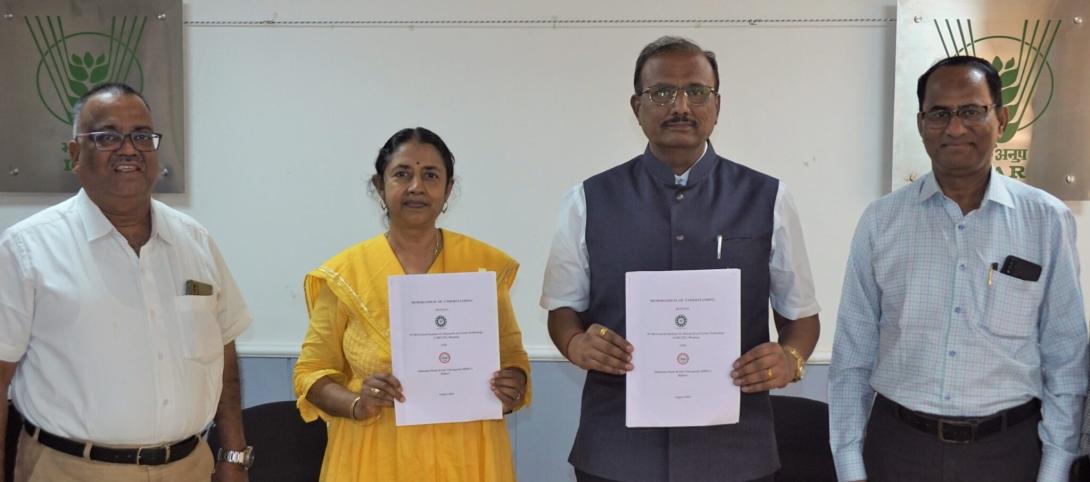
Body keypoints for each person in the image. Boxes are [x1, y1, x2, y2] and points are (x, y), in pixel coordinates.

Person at [540, 36, 821, 482]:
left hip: (735, 452)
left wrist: (790, 358)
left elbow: (801, 318)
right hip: (617, 450)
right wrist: (575, 344)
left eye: (696, 91)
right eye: (662, 93)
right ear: (637, 107)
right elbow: (562, 312)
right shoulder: (587, 200)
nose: (681, 106)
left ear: (717, 104)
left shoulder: (769, 198)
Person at [828, 55, 1089, 482]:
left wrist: (1055, 467)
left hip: (1010, 452)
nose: (954, 128)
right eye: (939, 114)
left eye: (971, 111)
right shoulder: (881, 221)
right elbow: (852, 355)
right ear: (920, 123)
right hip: (898, 449)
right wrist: (850, 466)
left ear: (1001, 119)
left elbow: (1066, 355)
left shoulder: (1046, 219)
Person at [0, 82, 253, 482]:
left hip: (190, 467)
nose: (129, 149)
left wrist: (234, 456)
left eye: (141, 136)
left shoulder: (196, 242)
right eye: (106, 137)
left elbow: (224, 356)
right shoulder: (26, 249)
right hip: (70, 469)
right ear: (74, 154)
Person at [292, 127, 532, 481]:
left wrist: (513, 383)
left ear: (448, 189)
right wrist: (358, 403)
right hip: (374, 455)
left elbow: (512, 358)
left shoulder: (482, 267)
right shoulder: (346, 275)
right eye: (402, 174)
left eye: (430, 175)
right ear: (379, 186)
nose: (416, 186)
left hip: (467, 456)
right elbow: (310, 373)